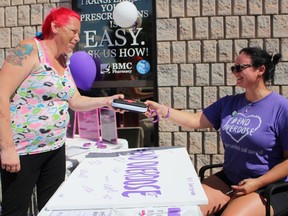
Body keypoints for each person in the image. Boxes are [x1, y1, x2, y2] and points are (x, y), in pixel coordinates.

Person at [0, 7, 124, 215]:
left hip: (55, 148)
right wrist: (7, 148)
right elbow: (1, 94)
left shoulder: (63, 59)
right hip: (23, 151)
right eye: (73, 31)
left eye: (79, 33)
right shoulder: (28, 50)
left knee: (53, 210)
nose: (77, 38)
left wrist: (107, 101)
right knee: (15, 211)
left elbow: (75, 100)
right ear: (55, 26)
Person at [145, 47, 288, 216]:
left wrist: (258, 182)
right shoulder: (229, 103)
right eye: (233, 68)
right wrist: (162, 110)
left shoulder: (281, 108)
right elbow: (195, 120)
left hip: (269, 185)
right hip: (231, 177)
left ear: (260, 70)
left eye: (240, 67)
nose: (235, 72)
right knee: (187, 211)